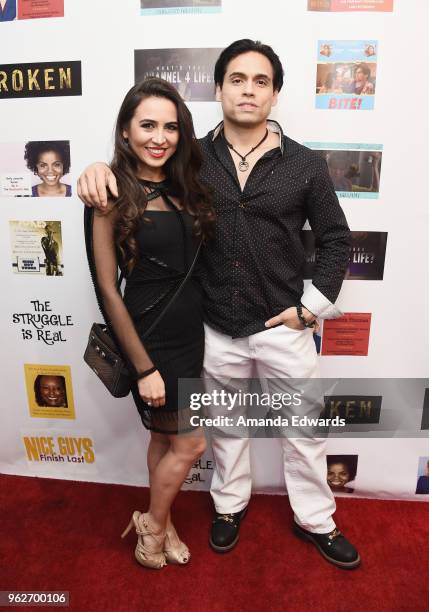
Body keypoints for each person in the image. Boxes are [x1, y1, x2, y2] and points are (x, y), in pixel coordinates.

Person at [78, 39, 360, 570]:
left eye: (260, 81)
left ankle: (317, 520)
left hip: (283, 324)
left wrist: (310, 308)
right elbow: (137, 168)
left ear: (275, 94)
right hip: (213, 326)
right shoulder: (193, 160)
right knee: (226, 429)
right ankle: (228, 509)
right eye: (236, 79)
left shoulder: (303, 164)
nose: (248, 90)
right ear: (219, 88)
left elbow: (338, 241)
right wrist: (94, 167)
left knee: (304, 428)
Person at [88, 77, 214, 569]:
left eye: (170, 127)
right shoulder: (109, 193)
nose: (159, 137)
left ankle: (165, 518)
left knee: (165, 439)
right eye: (146, 125)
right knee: (193, 442)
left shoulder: (187, 186)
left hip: (191, 337)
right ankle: (152, 526)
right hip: (150, 339)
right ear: (125, 132)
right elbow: (106, 289)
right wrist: (143, 368)